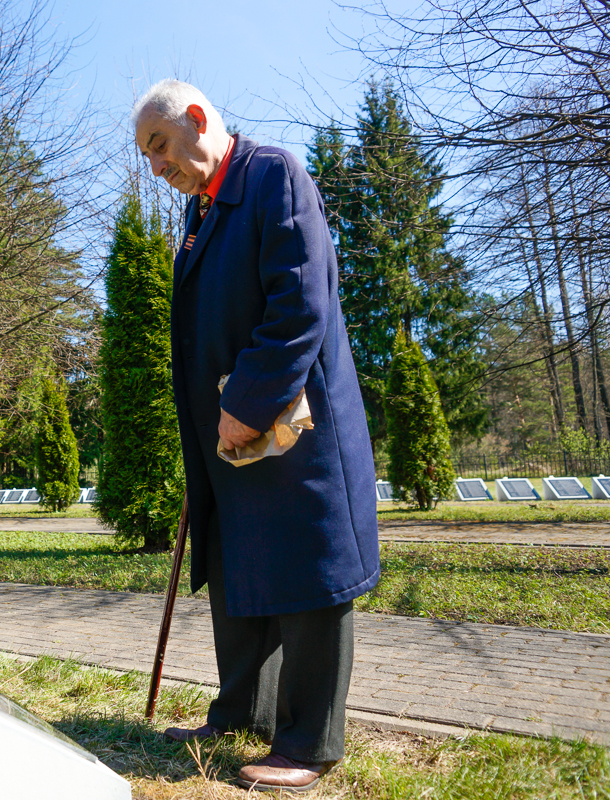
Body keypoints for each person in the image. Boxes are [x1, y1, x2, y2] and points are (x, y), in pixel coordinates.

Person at [132, 80, 379, 793]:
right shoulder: (200, 212)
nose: (157, 166)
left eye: (161, 147)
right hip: (234, 435)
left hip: (298, 432)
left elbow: (299, 303)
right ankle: (240, 712)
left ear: (200, 120)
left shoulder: (272, 175)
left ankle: (308, 741)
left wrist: (244, 400)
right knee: (243, 569)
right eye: (148, 155)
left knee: (309, 576)